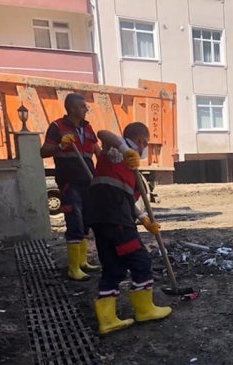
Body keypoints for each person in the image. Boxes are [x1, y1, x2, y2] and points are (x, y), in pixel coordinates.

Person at [83, 122, 172, 335]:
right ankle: (145, 310)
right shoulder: (117, 150)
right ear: (141, 141)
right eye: (146, 143)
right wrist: (125, 149)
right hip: (116, 219)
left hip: (100, 217)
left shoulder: (130, 169)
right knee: (140, 261)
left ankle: (107, 321)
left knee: (113, 267)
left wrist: (143, 218)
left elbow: (125, 196)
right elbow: (103, 133)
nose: (144, 148)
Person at [41, 93, 103, 280]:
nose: (86, 109)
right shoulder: (57, 127)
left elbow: (97, 151)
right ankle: (73, 269)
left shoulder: (88, 127)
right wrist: (60, 145)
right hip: (70, 182)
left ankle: (83, 262)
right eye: (83, 106)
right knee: (74, 221)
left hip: (88, 181)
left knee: (85, 222)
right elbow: (43, 151)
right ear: (72, 108)